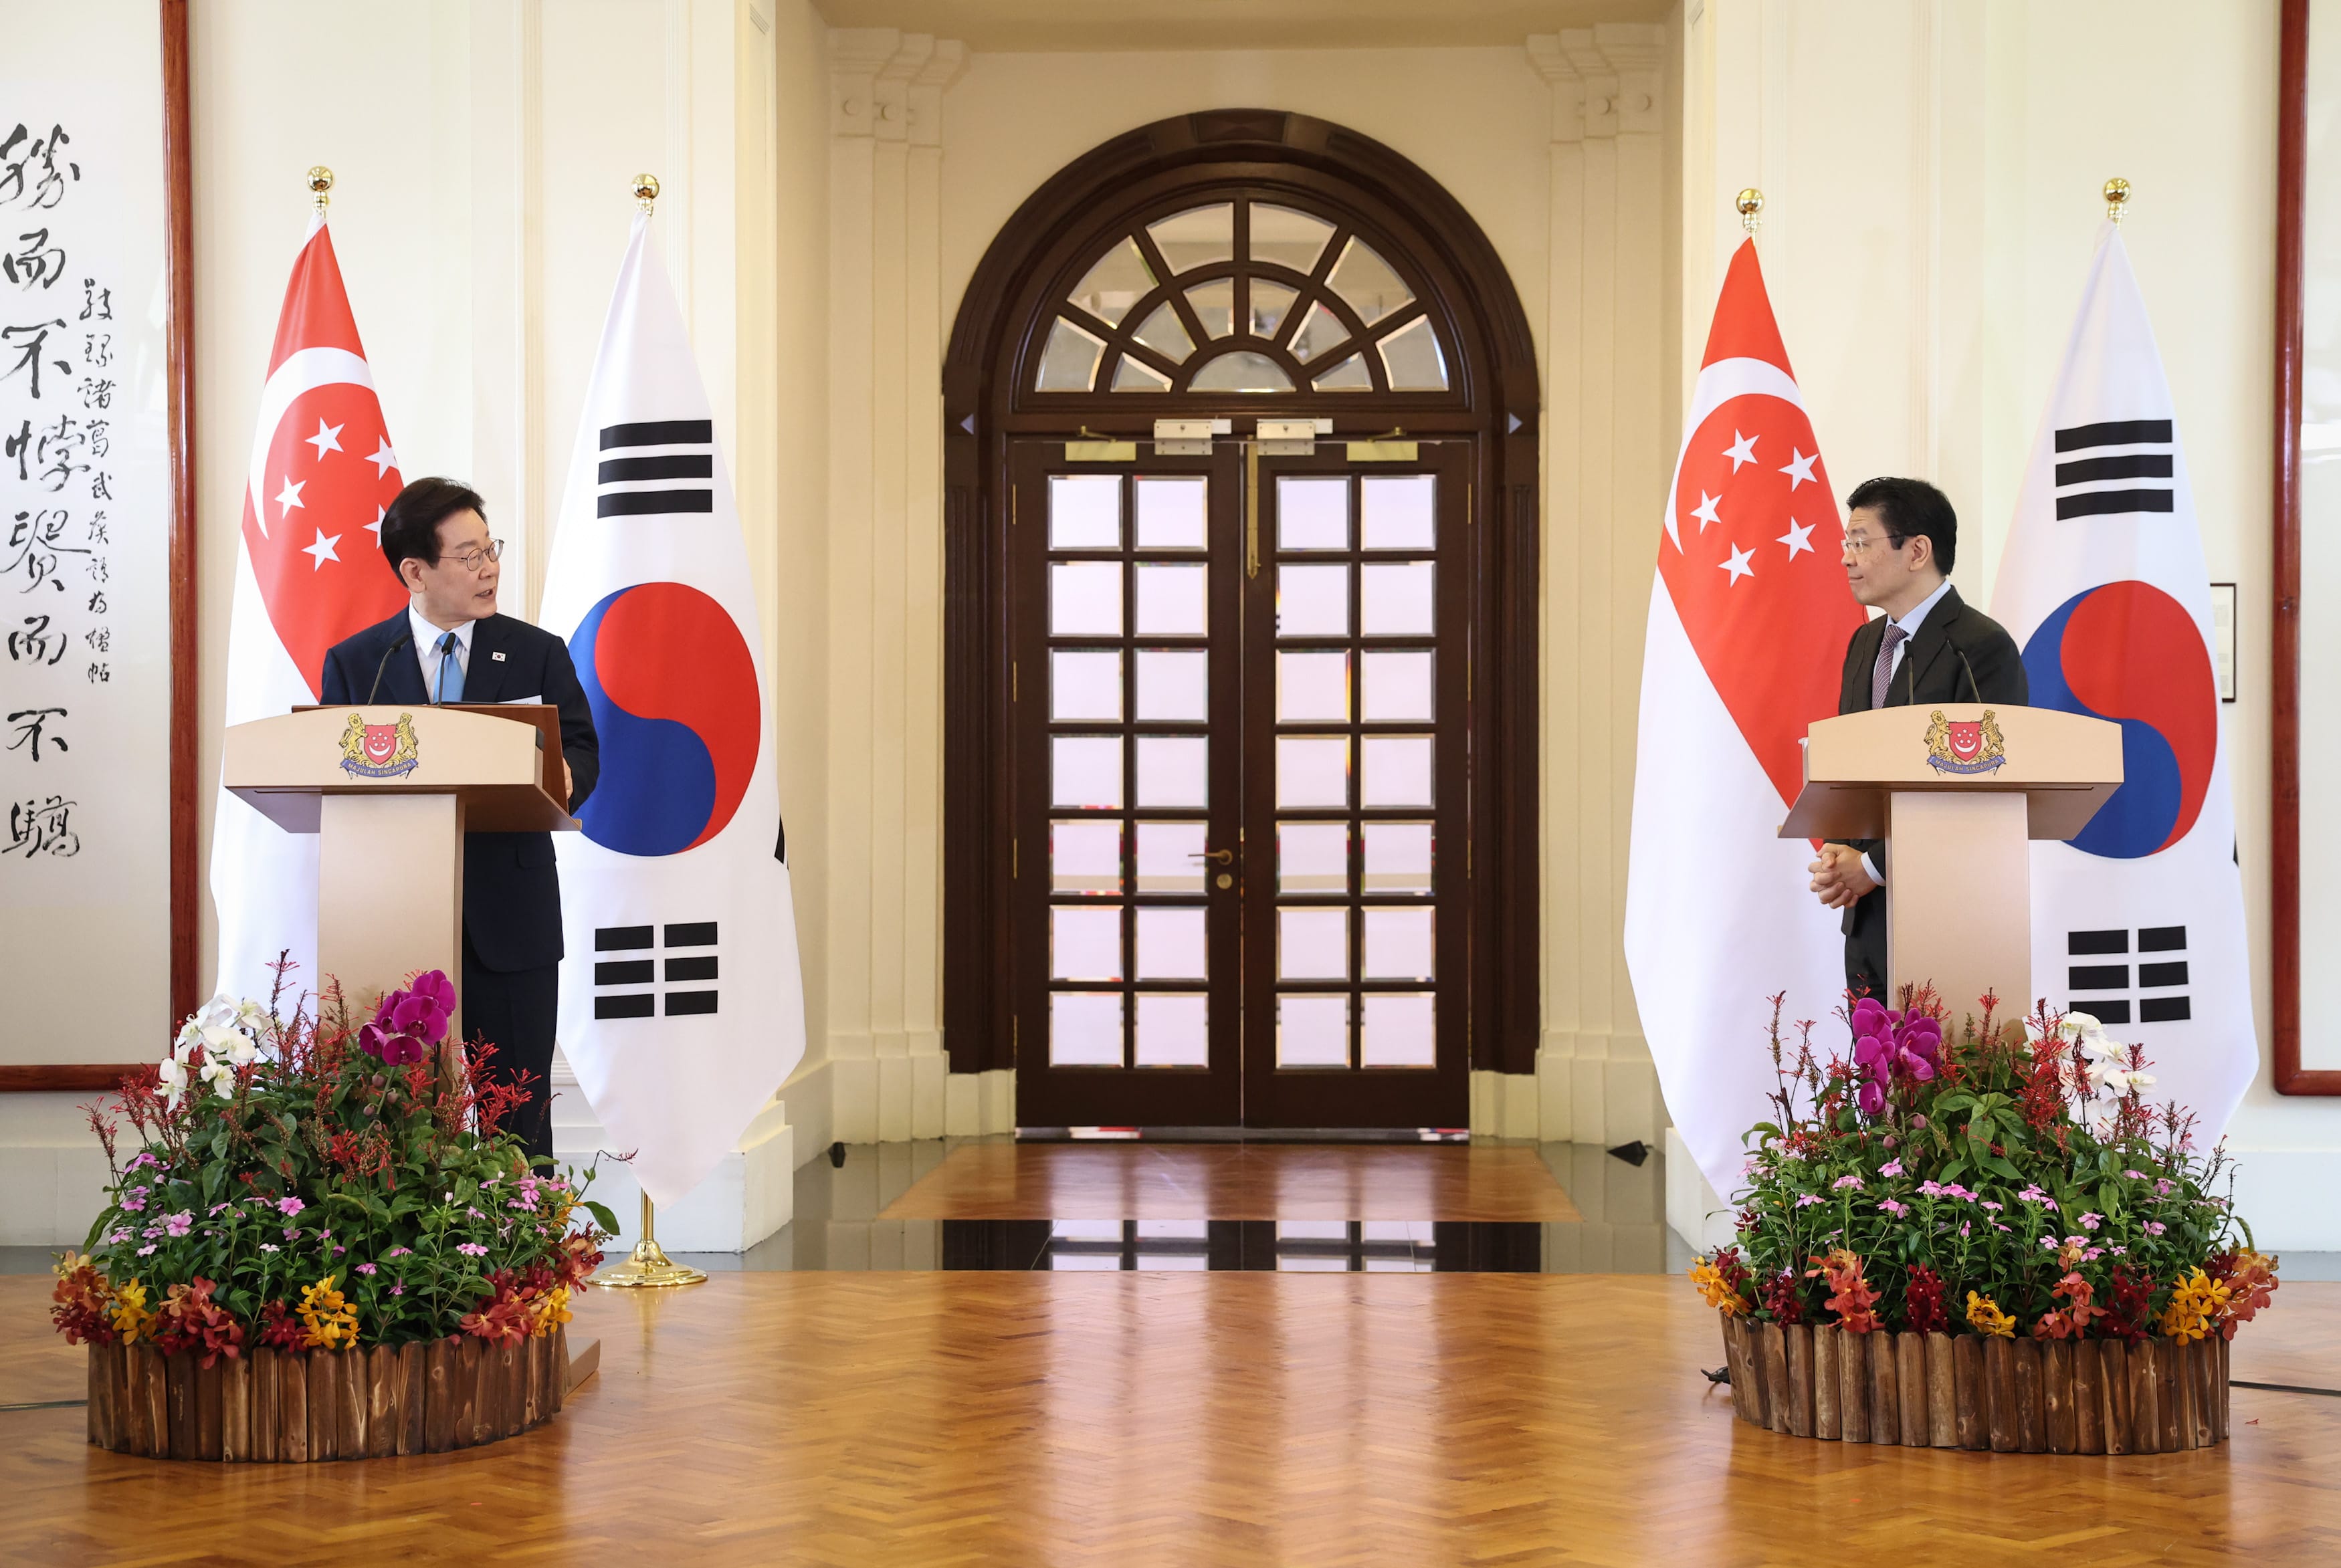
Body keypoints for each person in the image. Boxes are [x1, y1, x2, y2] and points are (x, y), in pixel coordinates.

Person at [320, 477, 599, 1163]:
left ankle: (528, 1262)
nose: (489, 568)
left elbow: (584, 748)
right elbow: (327, 774)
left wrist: (568, 776)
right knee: (399, 1124)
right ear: (414, 571)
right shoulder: (359, 664)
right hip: (393, 924)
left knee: (518, 1118)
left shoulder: (536, 652)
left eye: (489, 549)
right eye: (467, 555)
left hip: (511, 923)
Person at [1807, 476, 2026, 1001]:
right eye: (1846, 543)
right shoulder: (1865, 644)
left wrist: (1874, 865)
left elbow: (1980, 790)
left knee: (1944, 1081)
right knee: (1873, 1079)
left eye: (1861, 540)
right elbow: (1853, 768)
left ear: (1918, 550)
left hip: (1950, 919)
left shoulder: (1981, 646)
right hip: (1866, 925)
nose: (1846, 557)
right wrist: (1843, 849)